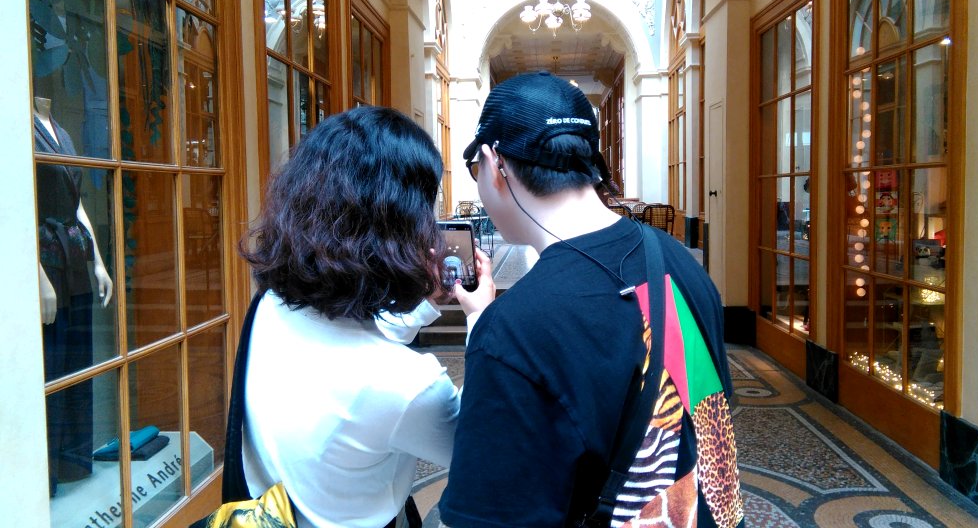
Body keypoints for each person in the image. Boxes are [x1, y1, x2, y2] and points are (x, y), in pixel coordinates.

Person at [439, 72, 743, 528]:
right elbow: (706, 426)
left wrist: (490, 327)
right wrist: (485, 317)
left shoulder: (514, 330)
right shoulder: (678, 260)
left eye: (473, 167)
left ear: (493, 162)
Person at [239, 106, 461, 528]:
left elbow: (357, 341)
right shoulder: (410, 384)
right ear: (404, 224)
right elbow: (480, 443)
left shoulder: (269, 307)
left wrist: (425, 303)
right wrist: (485, 321)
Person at [34, 96, 113, 496]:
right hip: (47, 258)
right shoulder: (22, 127)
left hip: (75, 257)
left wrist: (98, 261)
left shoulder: (62, 132)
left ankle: (74, 461)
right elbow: (16, 206)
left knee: (78, 363)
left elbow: (76, 203)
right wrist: (37, 276)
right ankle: (45, 473)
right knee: (51, 365)